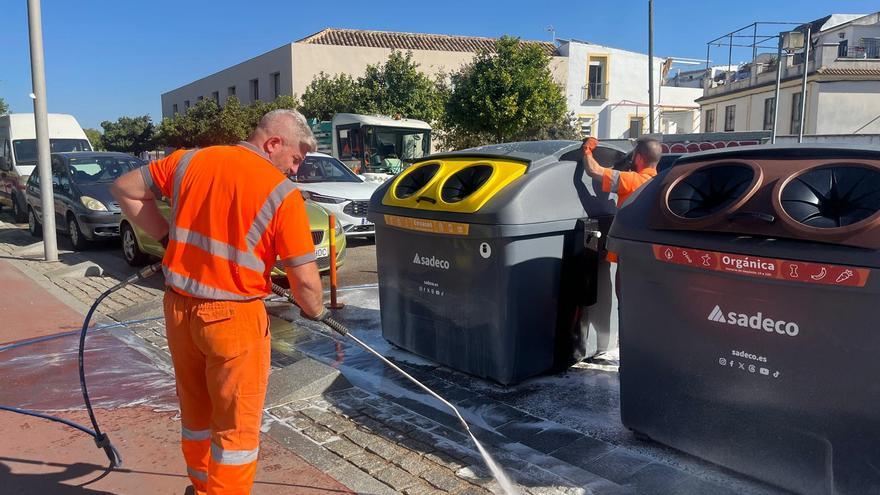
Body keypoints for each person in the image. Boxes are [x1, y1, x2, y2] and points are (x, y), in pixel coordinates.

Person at [111, 109, 328, 495]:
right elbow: (308, 288)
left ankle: (199, 486)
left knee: (196, 413)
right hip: (233, 321)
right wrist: (318, 312)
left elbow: (125, 188)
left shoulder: (190, 160)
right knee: (236, 430)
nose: (294, 170)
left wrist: (166, 240)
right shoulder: (281, 194)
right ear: (274, 143)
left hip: (180, 312)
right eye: (295, 158)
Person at [582, 135, 661, 208]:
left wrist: (587, 149)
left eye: (633, 155)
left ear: (639, 158)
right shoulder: (659, 184)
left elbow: (593, 170)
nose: (632, 159)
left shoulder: (631, 180)